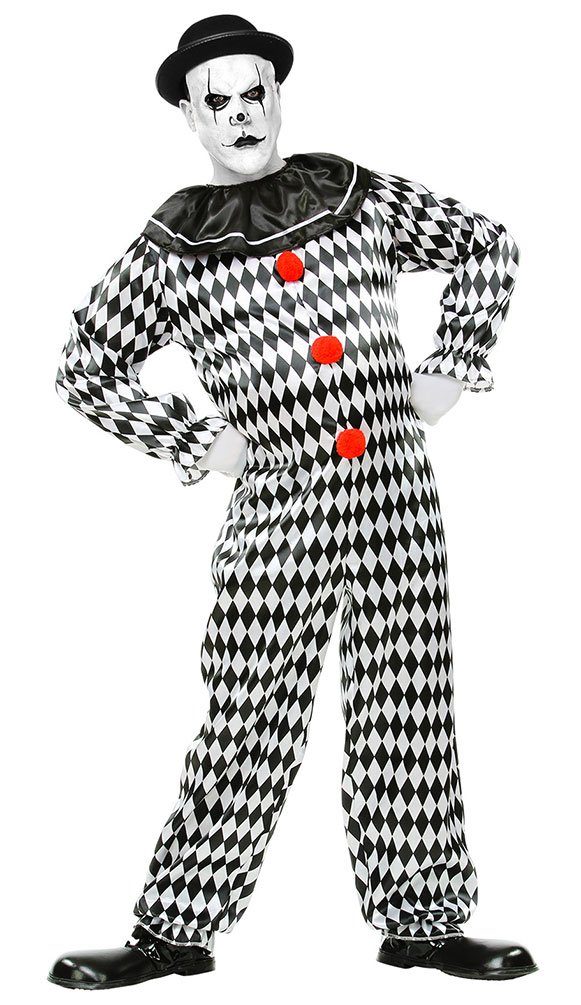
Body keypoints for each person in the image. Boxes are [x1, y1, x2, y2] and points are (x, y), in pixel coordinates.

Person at [48, 14, 537, 989]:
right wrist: (199, 440)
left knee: (407, 705)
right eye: (217, 101)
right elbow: (85, 365)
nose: (240, 114)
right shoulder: (174, 246)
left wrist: (453, 363)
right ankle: (174, 930)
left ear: (277, 96)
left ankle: (422, 919)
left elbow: (485, 243)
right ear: (191, 117)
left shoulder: (352, 194)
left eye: (253, 94)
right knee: (248, 716)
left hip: (394, 495)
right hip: (280, 509)